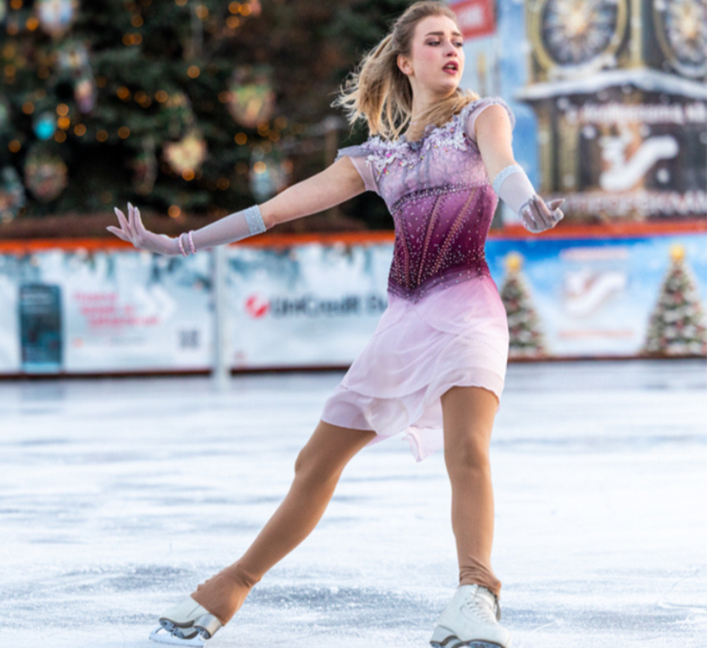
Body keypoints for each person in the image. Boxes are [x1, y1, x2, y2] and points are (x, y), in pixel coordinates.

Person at [107, 2, 565, 647]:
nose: (451, 49)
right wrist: (179, 244)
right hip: (402, 323)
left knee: (467, 450)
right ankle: (229, 588)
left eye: (457, 40)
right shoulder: (378, 159)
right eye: (435, 41)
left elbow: (505, 168)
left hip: (468, 309)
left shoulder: (481, 117)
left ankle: (475, 594)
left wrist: (529, 207)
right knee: (316, 460)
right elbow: (273, 210)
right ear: (406, 61)